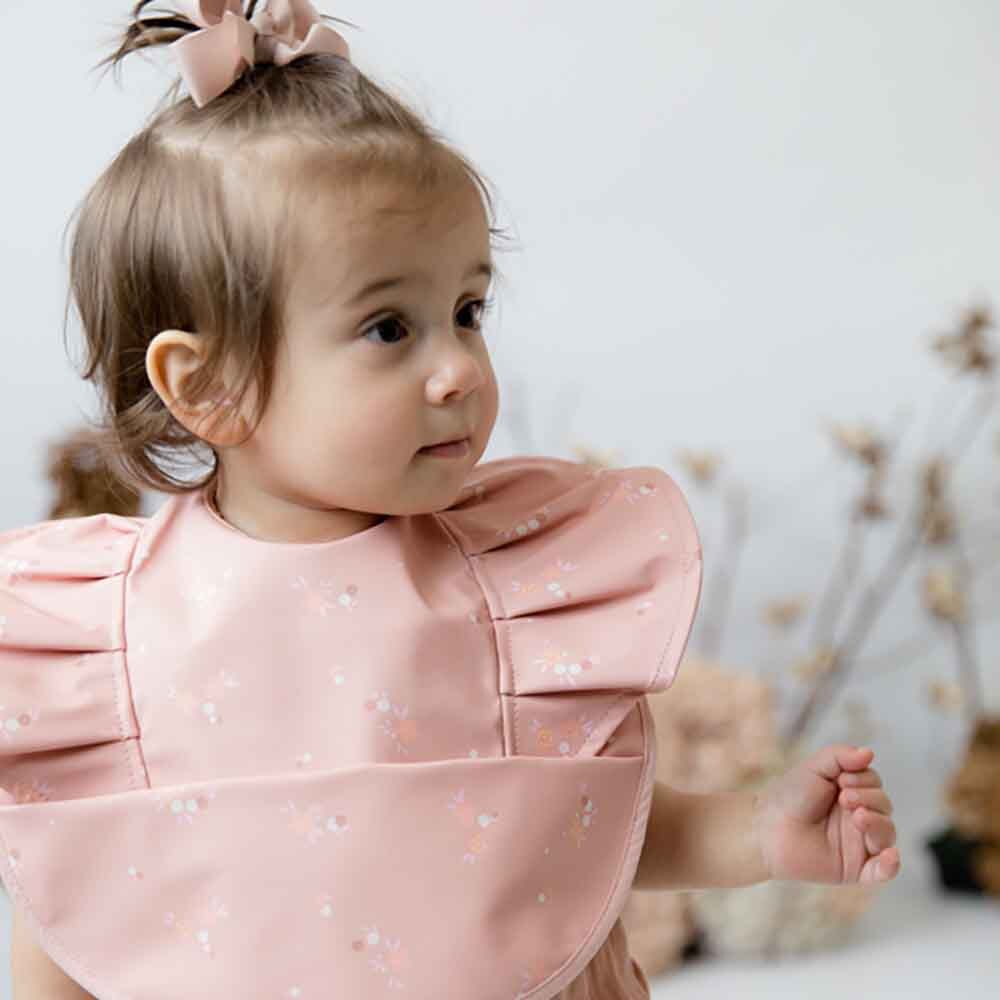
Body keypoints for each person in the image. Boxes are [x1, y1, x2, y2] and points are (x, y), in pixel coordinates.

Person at [0, 3, 900, 997]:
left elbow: (575, 832)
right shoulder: (109, 644)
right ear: (210, 384)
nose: (459, 368)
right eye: (389, 327)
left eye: (467, 311)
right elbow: (71, 898)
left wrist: (758, 831)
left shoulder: (512, 590)